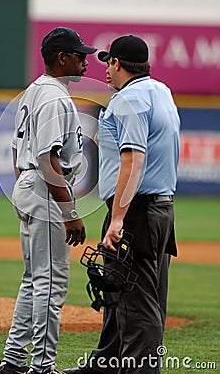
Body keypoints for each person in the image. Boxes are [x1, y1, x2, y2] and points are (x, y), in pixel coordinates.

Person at [64, 35, 180, 374]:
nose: (104, 69)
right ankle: (104, 365)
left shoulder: (126, 99)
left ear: (117, 63)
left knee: (137, 301)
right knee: (124, 293)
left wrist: (117, 220)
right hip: (161, 208)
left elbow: (133, 159)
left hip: (134, 210)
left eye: (107, 62)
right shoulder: (161, 92)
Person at [0, 27, 97, 374]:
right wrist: (69, 211)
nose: (85, 60)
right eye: (79, 54)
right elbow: (47, 158)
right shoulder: (54, 97)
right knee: (51, 286)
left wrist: (24, 186)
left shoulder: (34, 91)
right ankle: (42, 367)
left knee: (34, 279)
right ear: (61, 58)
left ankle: (12, 361)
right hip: (46, 190)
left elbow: (15, 148)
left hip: (30, 187)